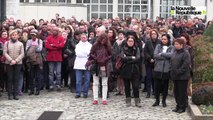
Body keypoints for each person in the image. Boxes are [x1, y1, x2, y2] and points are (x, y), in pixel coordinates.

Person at [87, 33, 112, 105]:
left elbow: (111, 54)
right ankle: (95, 99)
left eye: (105, 39)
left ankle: (104, 99)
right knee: (95, 83)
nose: (103, 41)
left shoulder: (108, 46)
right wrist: (96, 58)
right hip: (96, 65)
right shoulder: (95, 45)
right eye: (102, 39)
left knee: (104, 83)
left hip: (105, 65)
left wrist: (105, 59)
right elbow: (91, 53)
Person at [152, 34, 174, 107]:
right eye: (162, 39)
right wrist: (165, 56)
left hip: (166, 69)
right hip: (158, 68)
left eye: (165, 39)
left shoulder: (171, 47)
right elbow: (155, 56)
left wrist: (161, 54)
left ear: (168, 40)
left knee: (165, 86)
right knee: (157, 86)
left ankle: (164, 101)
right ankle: (157, 100)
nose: (163, 40)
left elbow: (171, 55)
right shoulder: (158, 46)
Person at [120, 36, 141, 107]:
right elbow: (122, 58)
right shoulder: (123, 48)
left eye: (132, 41)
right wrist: (131, 57)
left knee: (135, 86)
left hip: (135, 70)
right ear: (127, 41)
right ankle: (128, 100)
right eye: (129, 41)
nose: (130, 42)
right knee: (127, 86)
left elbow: (138, 58)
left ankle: (137, 101)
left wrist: (127, 59)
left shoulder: (136, 48)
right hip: (126, 69)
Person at [171, 38, 191, 113]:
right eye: (174, 44)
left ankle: (182, 107)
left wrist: (178, 71)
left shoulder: (185, 53)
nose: (175, 45)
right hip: (175, 76)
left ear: (181, 45)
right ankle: (178, 105)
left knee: (182, 92)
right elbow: (172, 62)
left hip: (182, 76)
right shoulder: (175, 52)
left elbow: (185, 65)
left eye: (177, 44)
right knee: (176, 92)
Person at [3, 30, 24, 100]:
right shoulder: (7, 43)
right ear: (11, 36)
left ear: (18, 36)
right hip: (9, 63)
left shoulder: (20, 44)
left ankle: (15, 94)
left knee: (16, 79)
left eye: (16, 35)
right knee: (10, 79)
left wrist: (16, 60)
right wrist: (11, 60)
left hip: (18, 63)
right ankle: (10, 94)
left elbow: (22, 54)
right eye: (13, 35)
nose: (14, 36)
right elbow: (5, 53)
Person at [45, 27, 65, 91]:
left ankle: (58, 85)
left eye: (56, 30)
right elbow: (47, 46)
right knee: (51, 73)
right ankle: (51, 85)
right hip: (50, 58)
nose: (55, 31)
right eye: (53, 30)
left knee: (58, 73)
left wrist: (53, 45)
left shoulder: (61, 38)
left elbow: (62, 46)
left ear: (58, 31)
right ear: (51, 31)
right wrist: (57, 46)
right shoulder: (48, 38)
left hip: (58, 58)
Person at [74, 33, 92, 98]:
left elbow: (89, 53)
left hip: (87, 63)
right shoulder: (78, 45)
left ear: (87, 38)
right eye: (82, 38)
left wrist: (84, 53)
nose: (83, 39)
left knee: (87, 80)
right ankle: (78, 93)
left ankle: (85, 93)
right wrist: (85, 54)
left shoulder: (90, 45)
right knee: (78, 80)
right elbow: (78, 53)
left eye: (84, 37)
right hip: (79, 64)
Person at [144, 29, 161, 98]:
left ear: (157, 35)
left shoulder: (159, 42)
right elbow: (145, 52)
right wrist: (149, 58)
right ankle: (148, 92)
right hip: (149, 62)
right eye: (152, 34)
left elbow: (160, 51)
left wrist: (155, 58)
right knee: (149, 77)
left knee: (156, 78)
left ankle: (155, 91)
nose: (153, 35)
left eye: (155, 34)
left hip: (157, 62)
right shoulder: (148, 42)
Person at [26, 29, 43, 95]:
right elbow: (27, 49)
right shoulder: (28, 41)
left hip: (38, 60)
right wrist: (34, 48)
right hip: (30, 60)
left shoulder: (39, 41)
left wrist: (32, 48)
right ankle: (32, 90)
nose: (33, 36)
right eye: (32, 35)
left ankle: (38, 89)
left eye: (34, 35)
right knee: (31, 75)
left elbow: (40, 49)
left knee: (38, 75)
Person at [112, 30, 125, 95]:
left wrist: (121, 57)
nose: (120, 36)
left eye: (121, 35)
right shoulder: (115, 42)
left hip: (122, 61)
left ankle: (122, 89)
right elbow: (113, 51)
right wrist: (115, 56)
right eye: (119, 34)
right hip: (116, 61)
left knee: (122, 76)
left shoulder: (125, 42)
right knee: (118, 76)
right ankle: (118, 89)